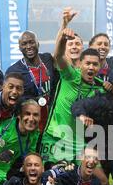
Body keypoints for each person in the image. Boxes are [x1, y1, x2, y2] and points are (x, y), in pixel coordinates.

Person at [41, 28, 105, 166]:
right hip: (55, 137)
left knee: (97, 182)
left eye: (95, 64)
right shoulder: (70, 76)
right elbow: (58, 56)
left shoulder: (101, 89)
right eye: (87, 63)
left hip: (79, 144)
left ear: (100, 66)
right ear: (81, 63)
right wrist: (64, 36)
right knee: (52, 178)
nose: (91, 67)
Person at [0, 99, 41, 185]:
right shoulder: (2, 130)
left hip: (9, 178)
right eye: (27, 114)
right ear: (19, 115)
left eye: (35, 115)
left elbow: (30, 156)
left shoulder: (35, 133)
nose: (31, 119)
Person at [6, 31, 57, 132]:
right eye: (24, 44)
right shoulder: (14, 71)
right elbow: (10, 98)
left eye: (31, 42)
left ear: (38, 43)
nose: (28, 46)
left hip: (53, 117)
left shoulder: (47, 59)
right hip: (31, 120)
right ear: (19, 47)